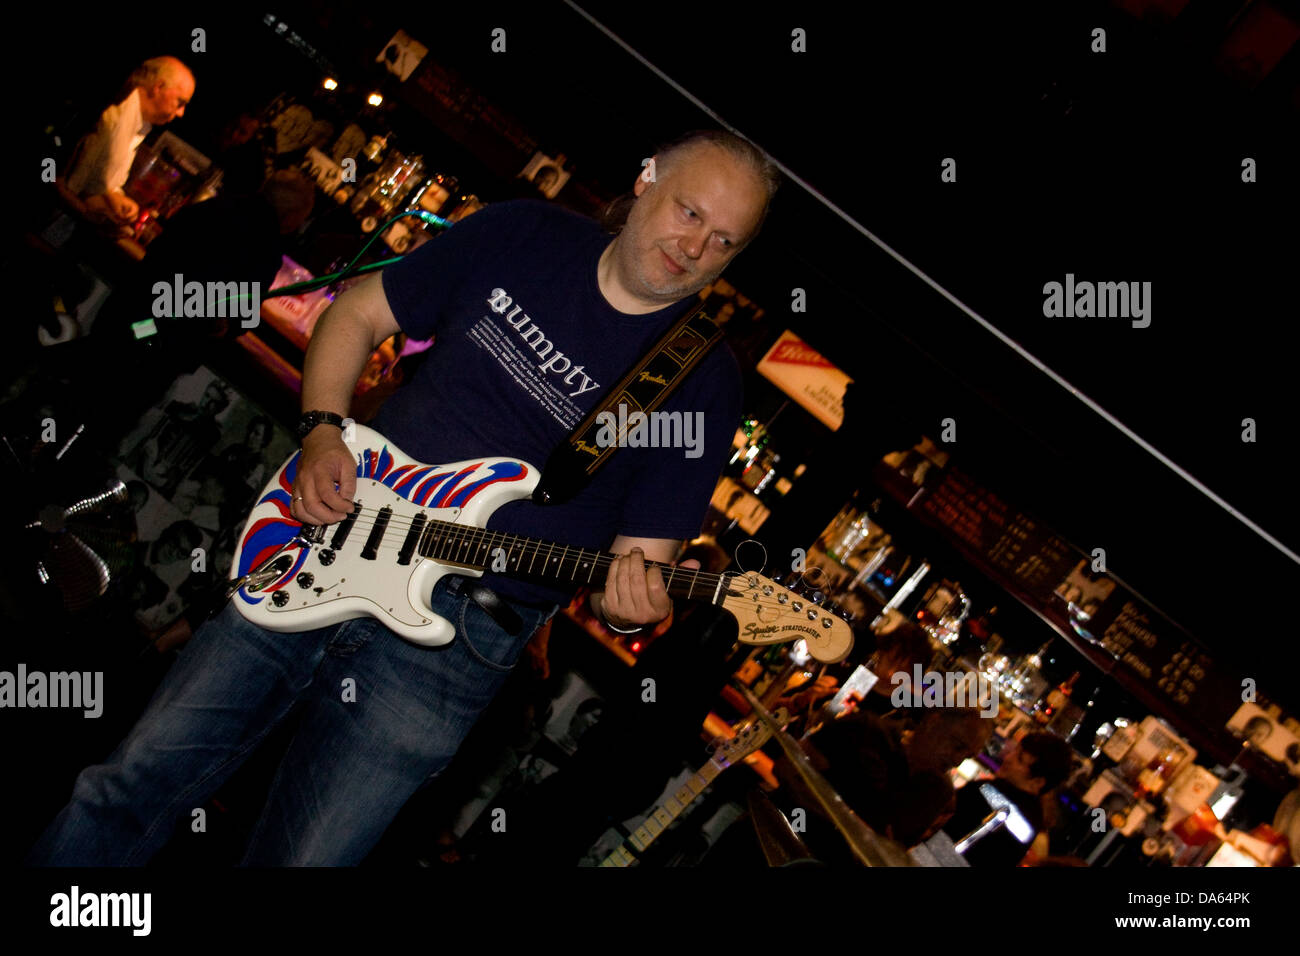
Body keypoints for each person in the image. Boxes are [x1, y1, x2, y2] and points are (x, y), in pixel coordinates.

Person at [28, 129, 780, 866]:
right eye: (689, 213)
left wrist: (631, 603)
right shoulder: (522, 233)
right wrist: (324, 432)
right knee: (133, 782)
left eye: (724, 242)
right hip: (332, 535)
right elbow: (357, 313)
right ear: (646, 179)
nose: (695, 248)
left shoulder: (701, 381)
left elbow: (636, 571)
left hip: (458, 640)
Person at [65, 56, 196, 226]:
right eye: (180, 102)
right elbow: (70, 186)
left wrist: (118, 200)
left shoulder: (141, 125)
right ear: (158, 87)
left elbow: (102, 185)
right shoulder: (113, 113)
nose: (181, 113)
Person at [941, 731, 1074, 866]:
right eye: (1015, 752)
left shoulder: (985, 791)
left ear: (1038, 782)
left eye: (1019, 759)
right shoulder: (1033, 825)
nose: (1008, 758)